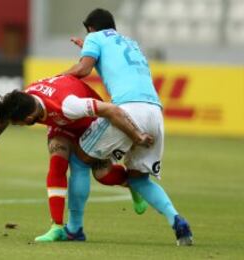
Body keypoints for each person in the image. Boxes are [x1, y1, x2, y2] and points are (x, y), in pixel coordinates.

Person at [62, 8, 193, 246]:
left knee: (80, 160)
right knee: (139, 179)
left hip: (127, 110)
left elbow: (83, 70)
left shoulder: (95, 38)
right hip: (154, 112)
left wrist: (56, 79)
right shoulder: (131, 43)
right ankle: (176, 220)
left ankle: (74, 228)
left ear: (91, 28)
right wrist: (88, 49)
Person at [0, 75, 151, 242]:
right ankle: (57, 227)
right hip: (62, 125)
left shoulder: (68, 104)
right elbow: (4, 117)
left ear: (28, 119)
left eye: (17, 123)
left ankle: (130, 181)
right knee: (57, 162)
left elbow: (110, 109)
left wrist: (136, 135)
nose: (16, 125)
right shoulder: (25, 99)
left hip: (91, 124)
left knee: (102, 175)